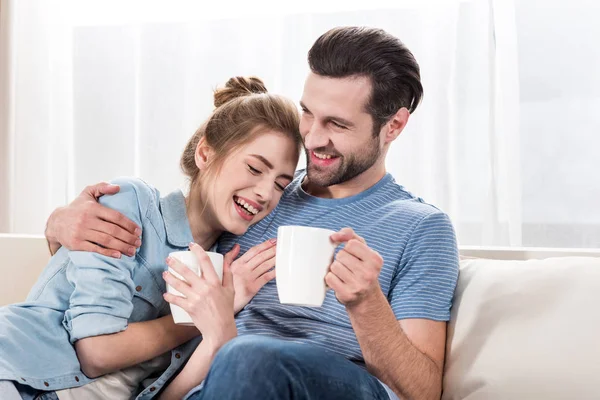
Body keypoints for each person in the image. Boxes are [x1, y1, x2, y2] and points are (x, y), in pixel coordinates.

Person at [45, 26, 460, 400]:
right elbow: (155, 249)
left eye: (337, 124)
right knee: (238, 358)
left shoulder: (420, 227)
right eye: (308, 113)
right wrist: (61, 223)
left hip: (330, 384)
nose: (313, 138)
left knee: (249, 355)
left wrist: (367, 305)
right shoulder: (258, 198)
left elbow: (422, 391)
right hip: (212, 382)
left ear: (394, 126)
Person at [0, 76, 303, 400]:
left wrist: (218, 330)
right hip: (17, 377)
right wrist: (198, 317)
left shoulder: (221, 276)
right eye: (256, 169)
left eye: (280, 184)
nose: (264, 193)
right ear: (205, 153)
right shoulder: (131, 202)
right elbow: (96, 351)